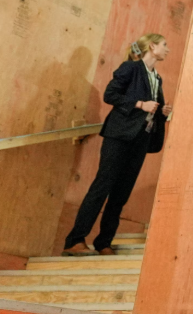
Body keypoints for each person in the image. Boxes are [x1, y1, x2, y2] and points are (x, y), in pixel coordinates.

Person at [61, 34, 171, 257]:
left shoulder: (156, 78)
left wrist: (162, 113)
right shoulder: (130, 68)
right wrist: (140, 104)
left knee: (121, 193)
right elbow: (110, 95)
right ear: (152, 46)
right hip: (119, 136)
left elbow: (150, 110)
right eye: (164, 45)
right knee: (103, 185)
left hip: (140, 139)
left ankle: (104, 242)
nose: (167, 49)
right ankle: (75, 240)